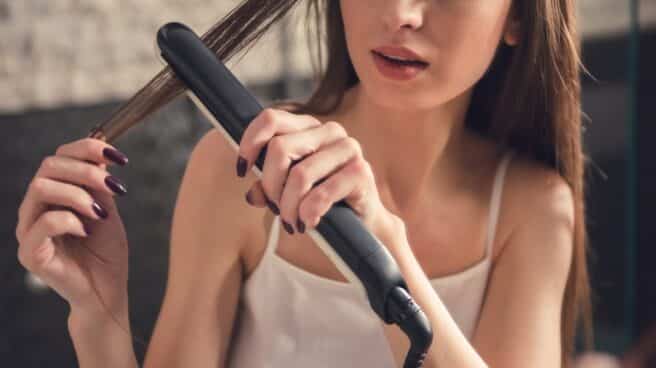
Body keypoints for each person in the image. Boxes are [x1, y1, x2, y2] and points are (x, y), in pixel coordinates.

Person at [14, 0, 593, 367]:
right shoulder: (237, 168)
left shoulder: (532, 207)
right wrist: (97, 314)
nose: (400, 13)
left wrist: (382, 252)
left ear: (519, 14)